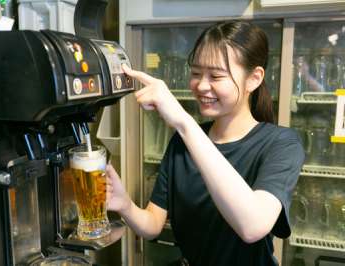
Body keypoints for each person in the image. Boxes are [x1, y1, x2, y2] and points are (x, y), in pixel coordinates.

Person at [106, 20, 305, 266]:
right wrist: (124, 204)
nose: (201, 86)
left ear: (253, 79)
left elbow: (253, 226)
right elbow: (153, 225)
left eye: (216, 76)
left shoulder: (281, 144)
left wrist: (183, 122)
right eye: (196, 73)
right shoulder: (183, 142)